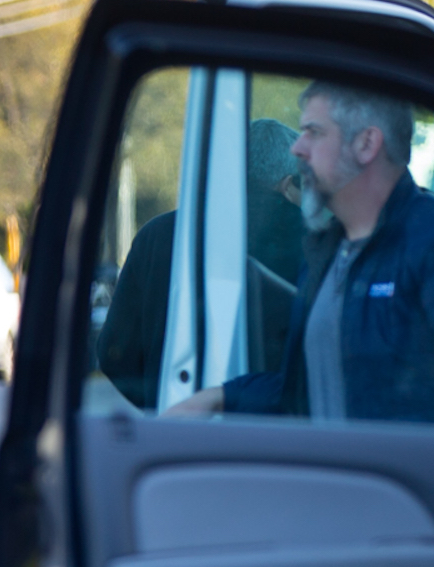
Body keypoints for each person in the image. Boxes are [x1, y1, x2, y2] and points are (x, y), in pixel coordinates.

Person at [164, 82, 434, 425]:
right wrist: (217, 397)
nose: (298, 149)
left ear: (366, 144)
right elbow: (303, 392)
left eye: (313, 133)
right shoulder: (327, 250)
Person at [95, 117, 301, 409]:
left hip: (177, 435)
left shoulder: (160, 235)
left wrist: (168, 403)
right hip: (280, 441)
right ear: (288, 184)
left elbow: (115, 355)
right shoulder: (311, 243)